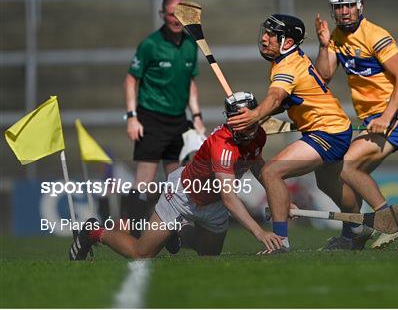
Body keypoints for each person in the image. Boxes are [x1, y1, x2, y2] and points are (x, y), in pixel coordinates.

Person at [228, 14, 398, 254]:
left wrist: (255, 115)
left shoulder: (287, 66)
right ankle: (355, 230)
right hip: (334, 129)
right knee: (329, 184)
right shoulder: (289, 60)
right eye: (265, 32)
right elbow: (288, 99)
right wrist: (262, 115)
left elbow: (277, 96)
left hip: (327, 132)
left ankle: (280, 241)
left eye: (272, 35)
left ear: (288, 42)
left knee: (272, 171)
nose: (265, 38)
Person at [69, 92, 283, 260]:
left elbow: (256, 164)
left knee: (208, 255)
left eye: (253, 118)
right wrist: (260, 232)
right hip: (184, 196)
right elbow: (229, 197)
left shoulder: (258, 135)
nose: (251, 126)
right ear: (232, 121)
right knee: (141, 254)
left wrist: (279, 200)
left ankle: (176, 233)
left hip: (214, 203)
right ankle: (92, 232)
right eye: (244, 120)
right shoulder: (222, 146)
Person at [314, 0, 398, 250]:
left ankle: (391, 221)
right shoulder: (335, 37)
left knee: (346, 165)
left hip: (395, 118)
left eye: (349, 5)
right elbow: (323, 77)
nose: (344, 11)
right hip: (373, 120)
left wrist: (386, 116)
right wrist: (324, 45)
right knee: (330, 173)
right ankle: (354, 233)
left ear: (360, 6)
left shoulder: (376, 36)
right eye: (338, 6)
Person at [123, 0, 206, 233]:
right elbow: (130, 80)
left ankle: (175, 232)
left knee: (178, 181)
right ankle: (136, 231)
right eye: (171, 14)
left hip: (178, 120)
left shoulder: (191, 45)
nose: (176, 19)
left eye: (180, 13)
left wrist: (197, 116)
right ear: (162, 15)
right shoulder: (150, 45)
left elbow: (190, 82)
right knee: (144, 182)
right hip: (150, 118)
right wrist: (132, 117)